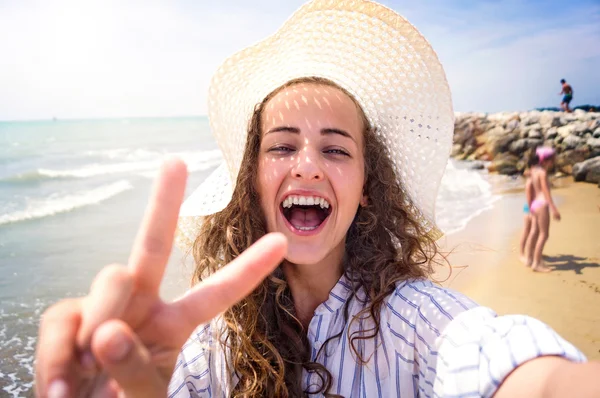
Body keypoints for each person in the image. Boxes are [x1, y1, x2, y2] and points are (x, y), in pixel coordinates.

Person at [34, 1, 600, 397]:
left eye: (335, 150)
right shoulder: (204, 351)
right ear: (249, 181)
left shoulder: (414, 324)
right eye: (282, 147)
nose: (307, 164)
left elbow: (516, 367)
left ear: (366, 188)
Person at [524, 146, 561, 273]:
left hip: (534, 204)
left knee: (534, 231)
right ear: (546, 160)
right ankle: (537, 263)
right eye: (552, 160)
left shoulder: (534, 171)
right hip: (542, 204)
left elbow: (529, 181)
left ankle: (529, 259)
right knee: (544, 235)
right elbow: (546, 192)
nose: (553, 163)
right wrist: (554, 208)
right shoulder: (543, 173)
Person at [518, 168, 535, 264]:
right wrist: (530, 212)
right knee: (527, 231)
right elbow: (529, 200)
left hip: (534, 208)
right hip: (529, 209)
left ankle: (531, 251)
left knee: (533, 230)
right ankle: (521, 253)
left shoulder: (534, 181)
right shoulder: (530, 182)